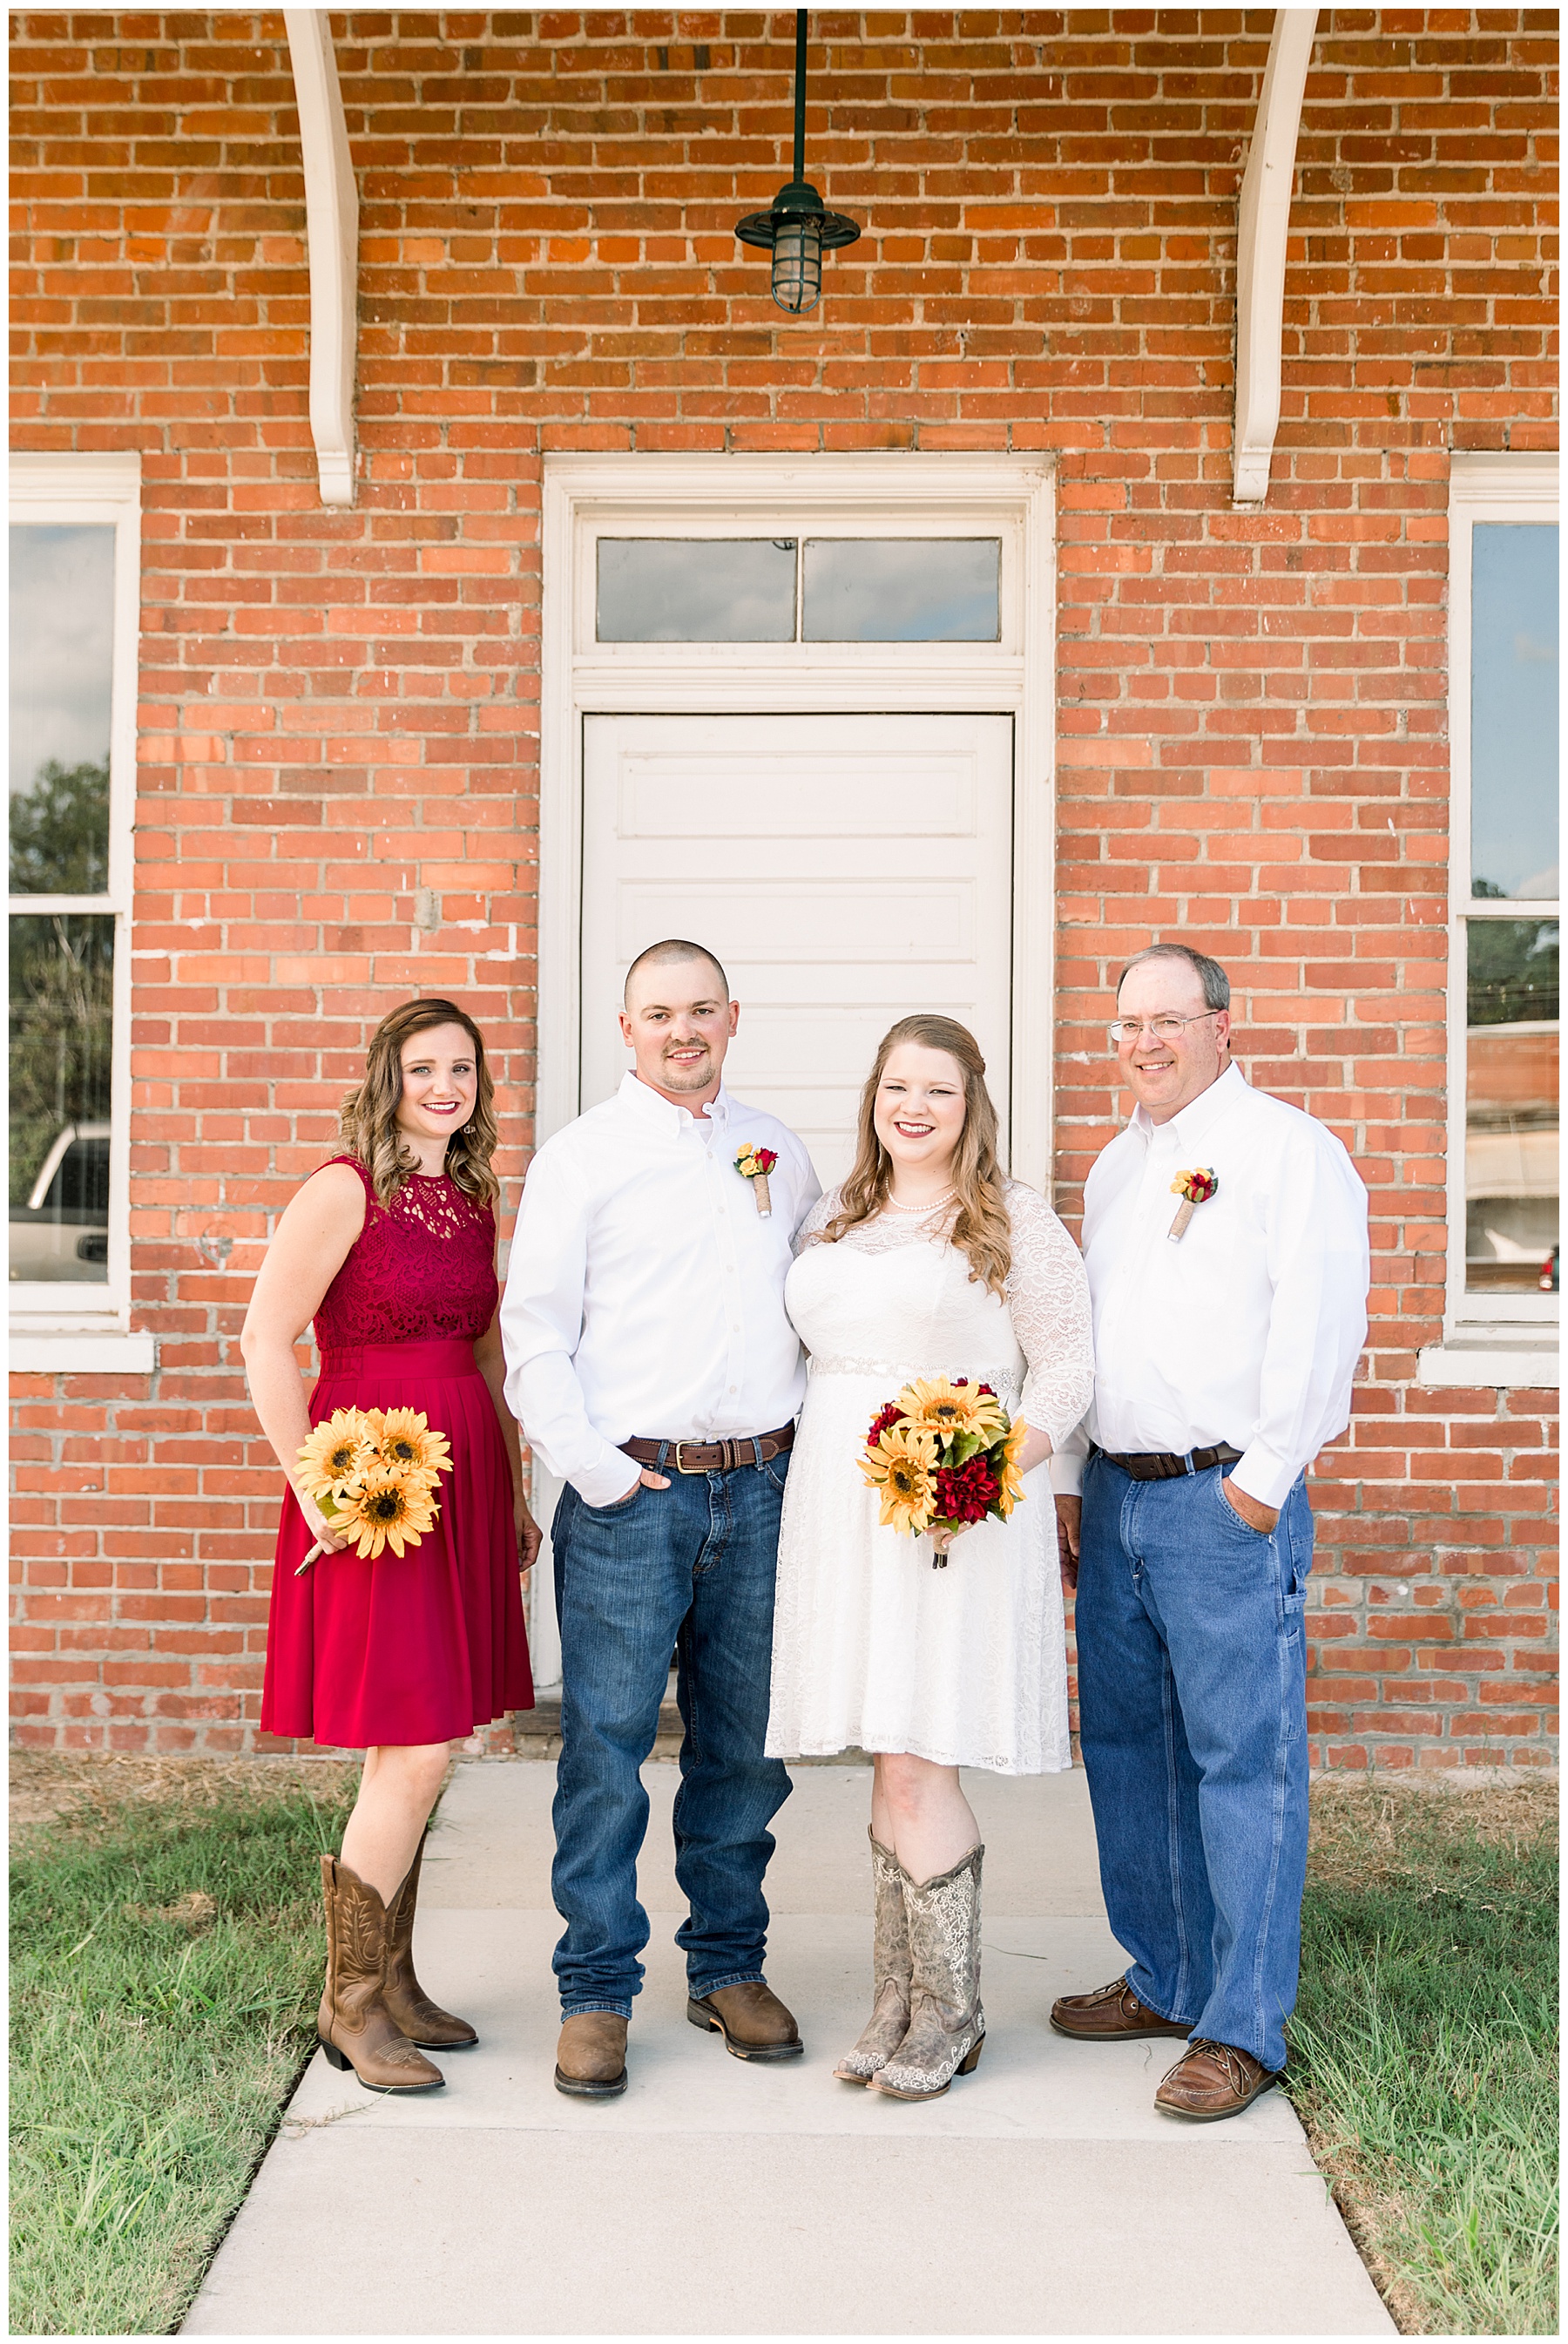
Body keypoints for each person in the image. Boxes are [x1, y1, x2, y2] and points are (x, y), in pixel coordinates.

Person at [1050, 943, 1369, 2120]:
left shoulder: (1288, 1152)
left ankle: (1241, 2025)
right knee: (1132, 1749)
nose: (1143, 1041)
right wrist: (1078, 1481)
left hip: (1225, 1495)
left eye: (1168, 1020)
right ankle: (1165, 1974)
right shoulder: (1117, 1170)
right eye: (1126, 1023)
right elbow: (1092, 1338)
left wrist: (1264, 1482)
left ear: (1224, 1027)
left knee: (1244, 1759)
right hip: (1123, 1496)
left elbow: (1323, 1324)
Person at [501, 940, 821, 2100]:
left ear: (732, 1016)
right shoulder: (582, 1159)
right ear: (626, 1026)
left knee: (744, 1747)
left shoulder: (779, 1149)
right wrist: (595, 1473)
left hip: (763, 1486)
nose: (681, 1028)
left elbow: (821, 1298)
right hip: (633, 1492)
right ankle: (595, 1987)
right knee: (608, 1749)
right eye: (658, 1012)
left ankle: (727, 1965)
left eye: (700, 1008)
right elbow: (532, 1333)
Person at [766, 1014, 1094, 2102]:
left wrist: (989, 1467)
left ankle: (951, 2010)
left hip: (950, 1512)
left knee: (920, 1752)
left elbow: (1065, 1370)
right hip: (842, 1509)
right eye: (897, 1085)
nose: (913, 1106)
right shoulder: (836, 1211)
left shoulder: (1011, 1218)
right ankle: (894, 1998)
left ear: (972, 1106)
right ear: (874, 1095)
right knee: (883, 1748)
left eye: (938, 1091)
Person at [246, 999, 537, 2093]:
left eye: (463, 1068)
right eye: (425, 1068)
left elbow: (491, 1356)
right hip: (374, 1485)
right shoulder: (342, 1188)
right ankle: (350, 2003)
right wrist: (314, 1486)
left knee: (427, 1740)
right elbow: (265, 1339)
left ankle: (398, 1978)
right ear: (389, 1077)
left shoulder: (471, 1196)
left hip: (463, 1472)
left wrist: (511, 1487)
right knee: (412, 1741)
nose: (447, 1086)